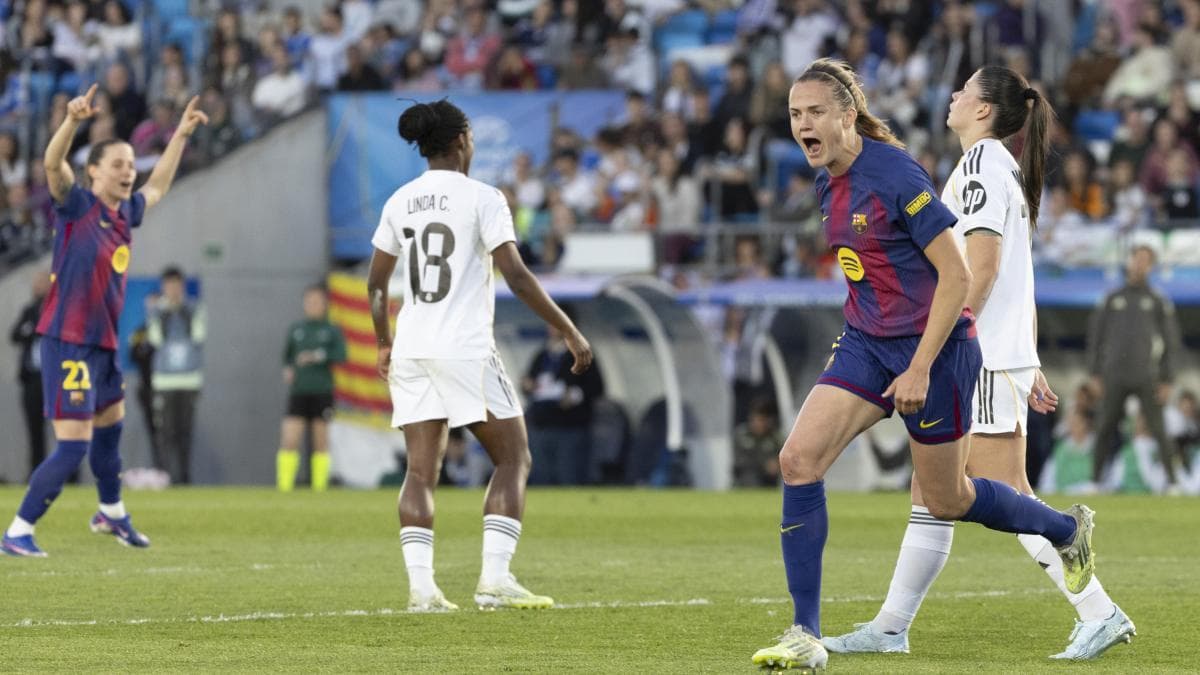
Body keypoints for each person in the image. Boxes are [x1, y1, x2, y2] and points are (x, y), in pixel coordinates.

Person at [750, 59, 1094, 672]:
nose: (803, 124)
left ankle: (1063, 530)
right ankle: (805, 632)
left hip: (935, 351)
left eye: (816, 113)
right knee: (797, 460)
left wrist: (919, 367)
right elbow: (870, 271)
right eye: (796, 114)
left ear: (847, 116)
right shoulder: (828, 180)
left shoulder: (895, 173)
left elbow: (960, 274)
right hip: (865, 344)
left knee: (948, 497)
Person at [824, 66, 1132, 662]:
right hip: (996, 352)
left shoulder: (980, 167)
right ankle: (891, 626)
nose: (955, 94)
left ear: (985, 111)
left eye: (965, 89)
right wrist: (1030, 357)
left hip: (979, 354)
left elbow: (983, 270)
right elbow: (1019, 273)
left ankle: (1099, 610)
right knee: (930, 488)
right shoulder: (996, 170)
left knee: (999, 488)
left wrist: (940, 349)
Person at [366, 99, 592, 612]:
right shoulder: (483, 197)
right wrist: (569, 330)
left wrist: (384, 341)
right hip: (464, 348)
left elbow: (377, 285)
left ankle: (422, 591)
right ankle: (495, 577)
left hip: (413, 347)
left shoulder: (400, 200)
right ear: (461, 141)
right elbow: (515, 274)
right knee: (513, 456)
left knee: (420, 471)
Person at [0, 85, 207, 557]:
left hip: (104, 345)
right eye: (118, 164)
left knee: (111, 428)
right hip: (68, 341)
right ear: (93, 172)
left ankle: (110, 512)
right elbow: (53, 166)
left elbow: (158, 187)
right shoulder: (76, 207)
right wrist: (71, 122)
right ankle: (17, 530)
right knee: (73, 447)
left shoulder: (124, 214)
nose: (129, 171)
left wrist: (179, 136)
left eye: (131, 164)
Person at [1088, 245, 1184, 491]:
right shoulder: (1112, 298)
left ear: (1151, 266)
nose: (1139, 264)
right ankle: (1096, 481)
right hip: (1114, 375)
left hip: (1146, 375)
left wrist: (1168, 379)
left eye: (1145, 261)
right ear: (1130, 261)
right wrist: (1095, 374)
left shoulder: (1157, 300)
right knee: (1104, 427)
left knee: (1159, 429)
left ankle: (1172, 483)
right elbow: (1096, 338)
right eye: (1136, 259)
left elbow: (1172, 343)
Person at [277, 285, 346, 492]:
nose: (313, 305)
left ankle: (319, 489)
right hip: (298, 392)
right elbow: (286, 357)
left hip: (322, 391)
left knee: (320, 441)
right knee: (289, 439)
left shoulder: (332, 330)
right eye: (310, 301)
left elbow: (342, 355)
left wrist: (318, 356)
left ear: (325, 304)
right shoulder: (297, 329)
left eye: (317, 301)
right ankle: (284, 487)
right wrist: (288, 369)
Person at [522, 320, 604, 486]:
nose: (551, 328)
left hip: (570, 427)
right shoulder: (542, 354)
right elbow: (529, 382)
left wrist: (574, 395)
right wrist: (527, 385)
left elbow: (596, 387)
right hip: (541, 425)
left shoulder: (581, 353)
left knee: (569, 476)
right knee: (541, 476)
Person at [147, 266, 206, 485]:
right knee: (165, 432)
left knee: (185, 431)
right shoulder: (156, 310)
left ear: (182, 286)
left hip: (189, 379)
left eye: (176, 285)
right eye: (169, 285)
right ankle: (165, 476)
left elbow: (198, 337)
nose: (173, 290)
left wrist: (182, 312)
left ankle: (184, 478)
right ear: (164, 287)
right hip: (164, 380)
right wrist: (161, 313)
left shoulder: (193, 308)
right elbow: (155, 341)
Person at [9, 270, 51, 479]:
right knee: (34, 429)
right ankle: (37, 472)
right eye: (36, 283)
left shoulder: (60, 311)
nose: (38, 287)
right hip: (33, 378)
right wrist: (34, 330)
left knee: (67, 430)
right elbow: (15, 335)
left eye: (42, 282)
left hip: (56, 379)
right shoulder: (30, 311)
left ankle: (69, 475)